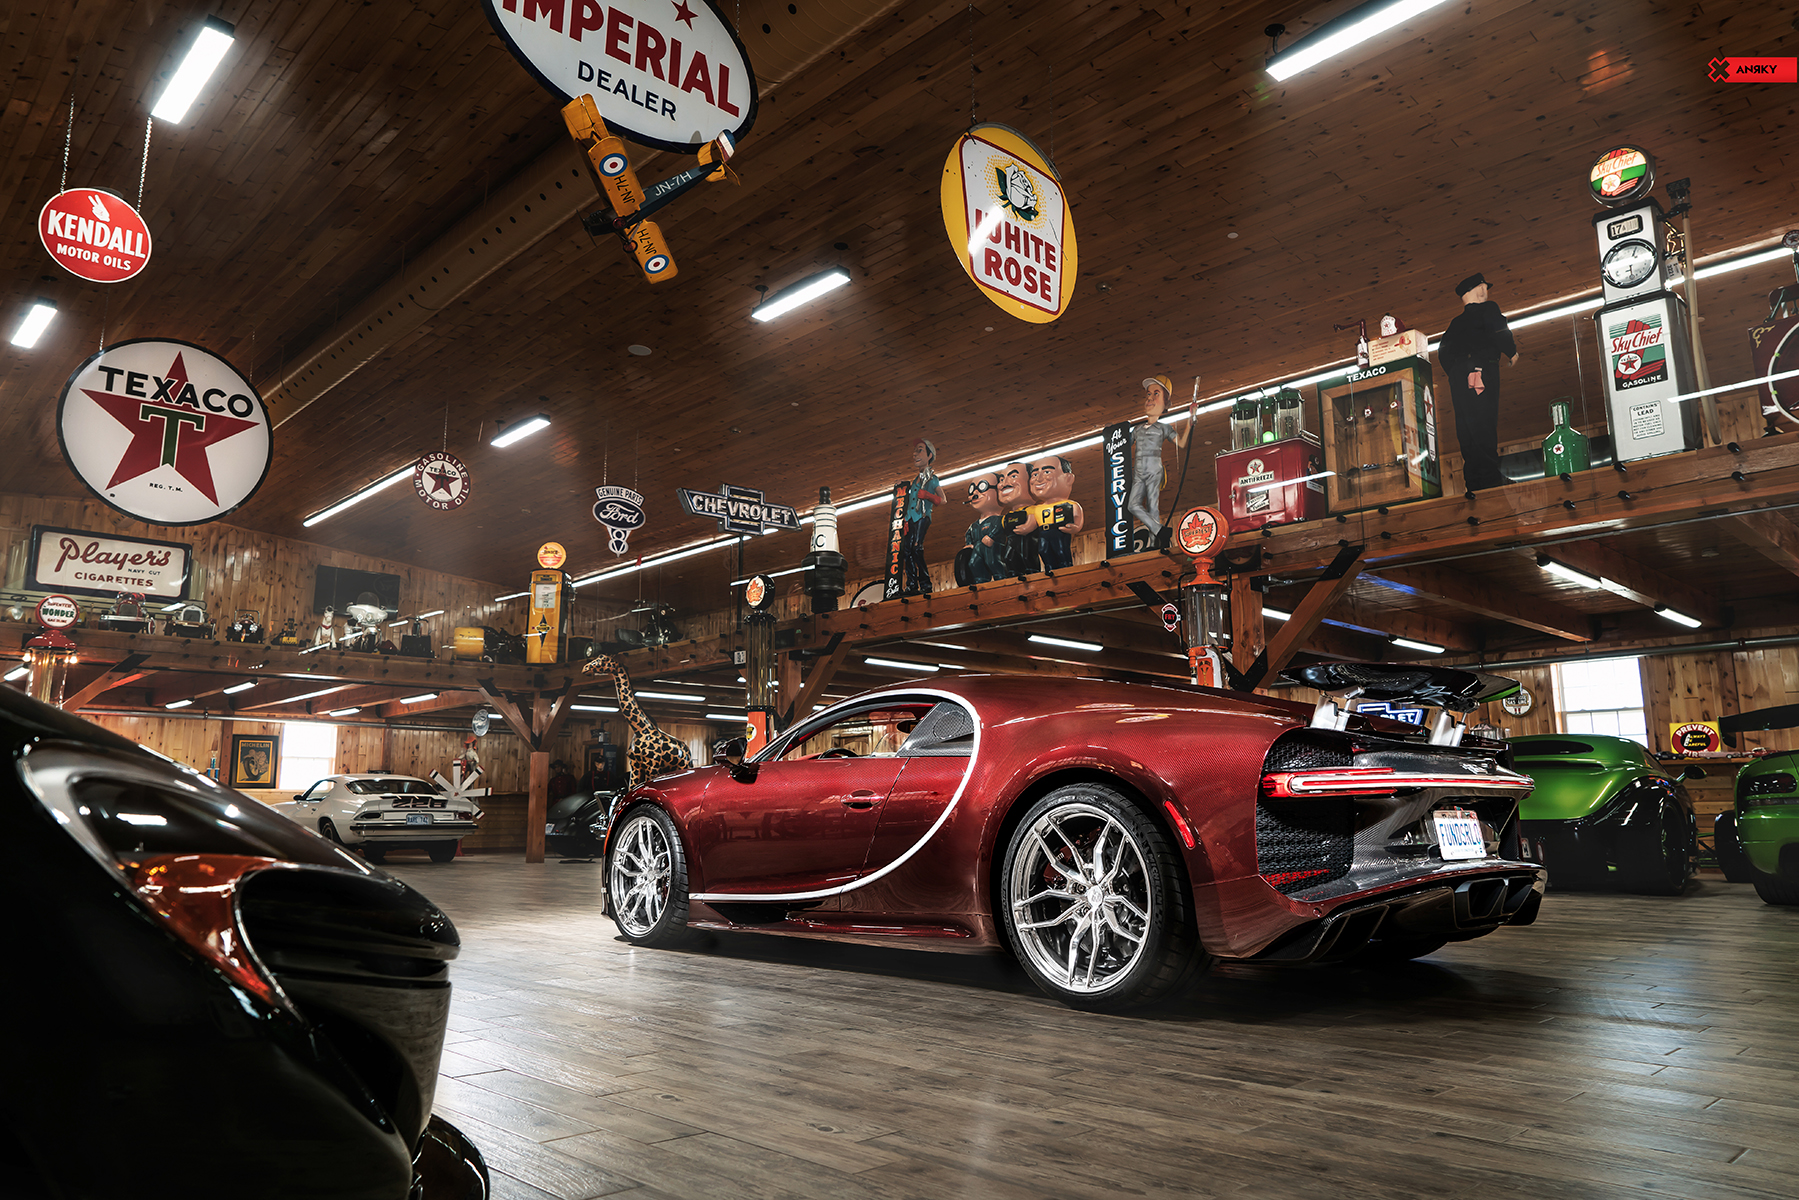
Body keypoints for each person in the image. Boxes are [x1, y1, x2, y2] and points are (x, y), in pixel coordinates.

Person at [1437, 273, 1519, 491]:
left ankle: (1473, 479)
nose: (1486, 291)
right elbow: (1499, 329)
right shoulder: (1489, 309)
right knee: (1484, 420)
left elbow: (1442, 352)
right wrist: (1512, 352)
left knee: (1466, 425)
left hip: (1459, 378)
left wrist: (1456, 373)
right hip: (1481, 370)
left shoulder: (1455, 324)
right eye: (1484, 287)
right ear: (1480, 289)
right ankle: (1490, 478)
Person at [1127, 374, 1196, 548]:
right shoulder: (1137, 430)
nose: (1150, 398)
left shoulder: (1164, 428)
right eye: (1148, 394)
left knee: (1153, 506)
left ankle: (1153, 543)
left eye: (1156, 394)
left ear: (1165, 403)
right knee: (1132, 505)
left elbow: (1181, 443)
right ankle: (1160, 531)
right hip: (1138, 469)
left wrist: (1190, 421)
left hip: (1154, 468)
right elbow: (1123, 446)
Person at [900, 438, 945, 595]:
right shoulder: (915, 481)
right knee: (907, 551)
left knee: (917, 548)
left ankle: (925, 583)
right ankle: (911, 584)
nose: (915, 454)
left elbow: (943, 500)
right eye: (915, 451)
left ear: (929, 455)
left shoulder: (932, 479)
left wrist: (927, 495)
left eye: (919, 450)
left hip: (922, 516)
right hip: (910, 518)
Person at [1028, 455, 1083, 569]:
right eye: (1035, 474)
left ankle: (1065, 567)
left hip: (1059, 531)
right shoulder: (1037, 508)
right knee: (1043, 550)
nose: (1039, 478)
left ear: (1068, 478)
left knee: (1061, 550)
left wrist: (1075, 527)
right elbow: (1031, 524)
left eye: (1047, 472)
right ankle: (1049, 568)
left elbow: (1077, 519)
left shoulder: (1070, 504)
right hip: (1043, 533)